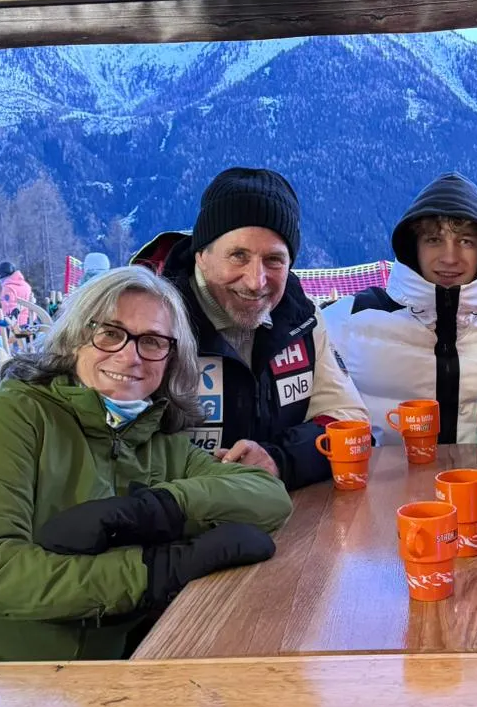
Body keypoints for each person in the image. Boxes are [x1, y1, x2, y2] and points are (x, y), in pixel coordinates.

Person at [0, 265, 291, 662]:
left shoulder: (156, 436)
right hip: (14, 677)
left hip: (121, 668)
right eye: (110, 333)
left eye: (152, 341)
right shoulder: (16, 415)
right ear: (75, 338)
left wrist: (157, 507)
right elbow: (1, 572)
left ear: (171, 358)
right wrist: (154, 571)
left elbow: (269, 496)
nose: (129, 355)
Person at [146, 167, 368, 488]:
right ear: (201, 256)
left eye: (274, 260)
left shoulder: (301, 319)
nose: (256, 281)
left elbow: (351, 422)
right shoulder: (151, 320)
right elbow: (115, 441)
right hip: (177, 509)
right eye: (238, 255)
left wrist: (278, 460)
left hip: (288, 507)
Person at [323, 172, 477, 444]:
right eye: (434, 240)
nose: (449, 257)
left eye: (466, 241)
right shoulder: (345, 321)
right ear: (413, 247)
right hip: (388, 472)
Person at [0, 261, 33, 328]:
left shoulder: (8, 288)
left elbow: (10, 306)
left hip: (17, 325)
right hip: (31, 320)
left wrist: (8, 321)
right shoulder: (26, 285)